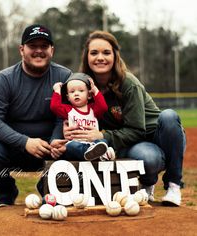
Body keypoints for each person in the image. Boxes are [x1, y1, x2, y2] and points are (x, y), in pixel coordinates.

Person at [63, 30, 186, 206]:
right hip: (132, 143)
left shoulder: (129, 83)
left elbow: (137, 130)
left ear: (115, 56)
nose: (100, 57)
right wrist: (68, 127)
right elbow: (71, 112)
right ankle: (148, 182)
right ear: (86, 57)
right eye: (94, 52)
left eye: (106, 52)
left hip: (157, 136)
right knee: (147, 158)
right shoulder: (82, 86)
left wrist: (103, 136)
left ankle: (173, 186)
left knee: (169, 115)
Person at [0, 24, 71, 208]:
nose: (39, 51)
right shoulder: (4, 79)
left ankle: (47, 188)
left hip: (50, 147)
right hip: (13, 147)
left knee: (74, 145)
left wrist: (55, 142)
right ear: (21, 49)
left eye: (44, 46)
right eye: (33, 46)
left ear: (52, 50)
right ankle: (6, 191)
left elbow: (64, 117)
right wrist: (24, 142)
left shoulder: (64, 76)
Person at [50, 72, 115, 161]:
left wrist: (95, 90)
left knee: (103, 142)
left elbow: (103, 107)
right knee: (70, 146)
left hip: (93, 142)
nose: (76, 94)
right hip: (76, 142)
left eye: (81, 91)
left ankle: (97, 153)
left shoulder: (93, 109)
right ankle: (100, 154)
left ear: (89, 95)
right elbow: (55, 107)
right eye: (72, 92)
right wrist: (57, 91)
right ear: (68, 97)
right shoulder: (68, 110)